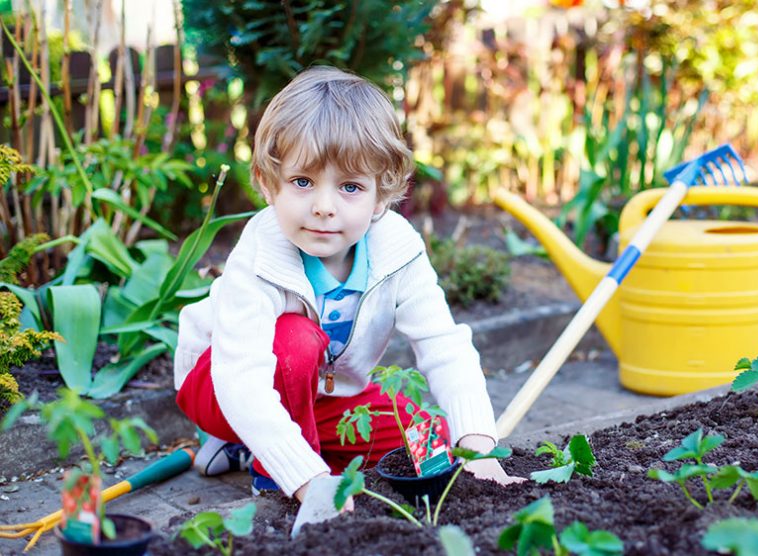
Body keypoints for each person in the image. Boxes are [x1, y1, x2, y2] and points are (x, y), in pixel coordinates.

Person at [173, 66, 524, 537]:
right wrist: (312, 482)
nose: (323, 206)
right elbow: (241, 381)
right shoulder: (260, 256)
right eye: (302, 181)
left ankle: (287, 445)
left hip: (323, 394)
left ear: (382, 196)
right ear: (266, 181)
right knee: (295, 340)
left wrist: (478, 448)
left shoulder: (397, 249)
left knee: (429, 446)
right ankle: (266, 461)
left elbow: (445, 346)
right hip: (220, 385)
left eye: (350, 187)